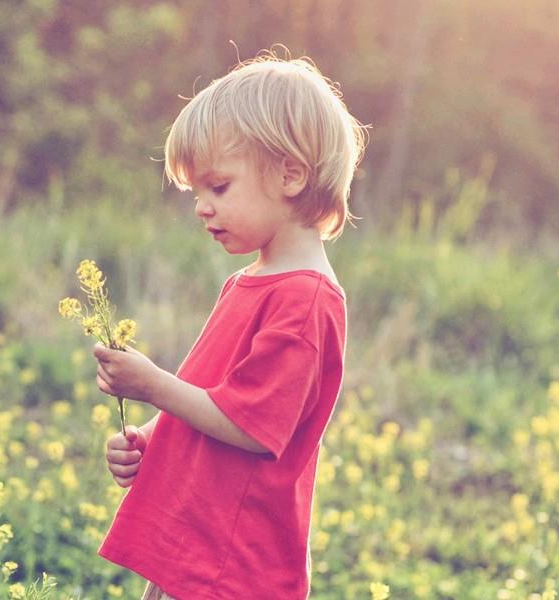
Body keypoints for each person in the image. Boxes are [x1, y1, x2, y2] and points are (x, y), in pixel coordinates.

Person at [91, 51, 367, 599]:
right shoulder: (249, 282)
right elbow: (217, 397)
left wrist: (152, 387)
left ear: (290, 174)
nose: (200, 207)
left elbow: (252, 428)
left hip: (236, 564)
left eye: (218, 187)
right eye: (196, 192)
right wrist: (151, 438)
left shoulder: (306, 299)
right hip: (197, 542)